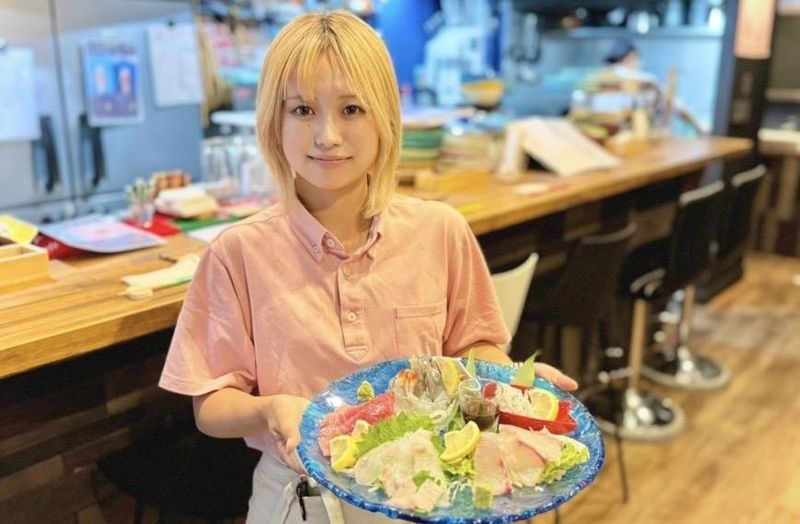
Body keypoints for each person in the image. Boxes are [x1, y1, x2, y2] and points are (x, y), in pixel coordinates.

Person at [159, 11, 577, 523]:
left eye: (352, 109)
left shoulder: (440, 230)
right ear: (273, 122)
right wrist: (271, 409)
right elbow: (211, 407)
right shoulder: (237, 252)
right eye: (303, 109)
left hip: (427, 490)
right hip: (301, 495)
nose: (328, 135)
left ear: (385, 119)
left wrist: (510, 385)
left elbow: (474, 348)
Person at [604, 38, 707, 135]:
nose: (638, 64)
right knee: (668, 100)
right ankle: (699, 127)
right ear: (631, 57)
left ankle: (698, 126)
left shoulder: (602, 75)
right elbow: (671, 102)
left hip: (608, 131)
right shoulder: (637, 77)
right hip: (639, 132)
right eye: (637, 59)